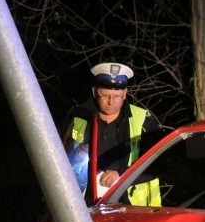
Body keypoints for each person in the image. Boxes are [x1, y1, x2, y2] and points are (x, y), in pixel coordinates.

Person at [63, 62, 162, 205]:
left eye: (116, 96)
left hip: (132, 208)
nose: (111, 102)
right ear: (94, 92)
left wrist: (122, 175)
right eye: (105, 95)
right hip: (84, 205)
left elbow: (158, 164)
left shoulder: (143, 120)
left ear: (125, 93)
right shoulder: (78, 117)